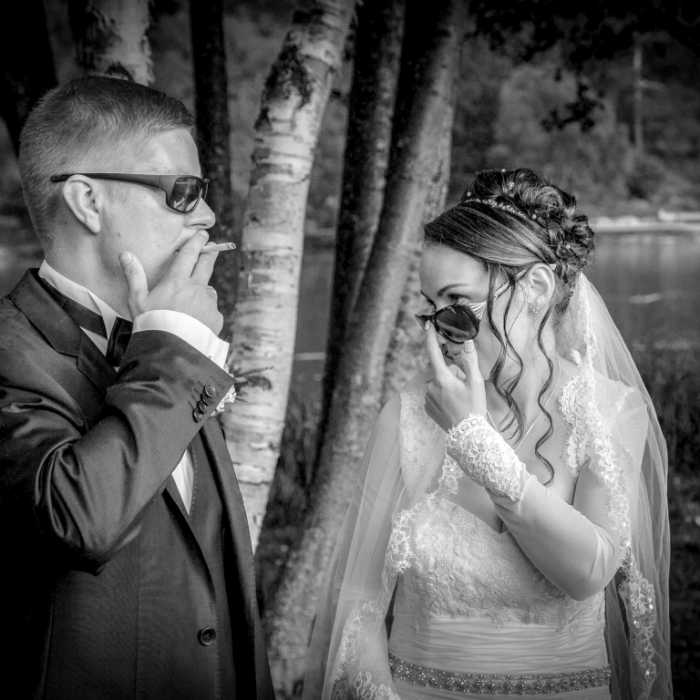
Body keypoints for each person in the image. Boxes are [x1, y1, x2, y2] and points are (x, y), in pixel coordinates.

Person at [307, 169, 672, 699]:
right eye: (431, 309)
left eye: (458, 305)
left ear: (536, 289)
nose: (441, 332)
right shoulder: (406, 416)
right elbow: (357, 604)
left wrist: (476, 443)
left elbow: (588, 572)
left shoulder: (611, 412)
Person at [0, 76, 273, 699]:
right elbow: (77, 518)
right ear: (87, 201)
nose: (206, 215)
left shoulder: (159, 338)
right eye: (182, 192)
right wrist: (175, 347)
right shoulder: (13, 350)